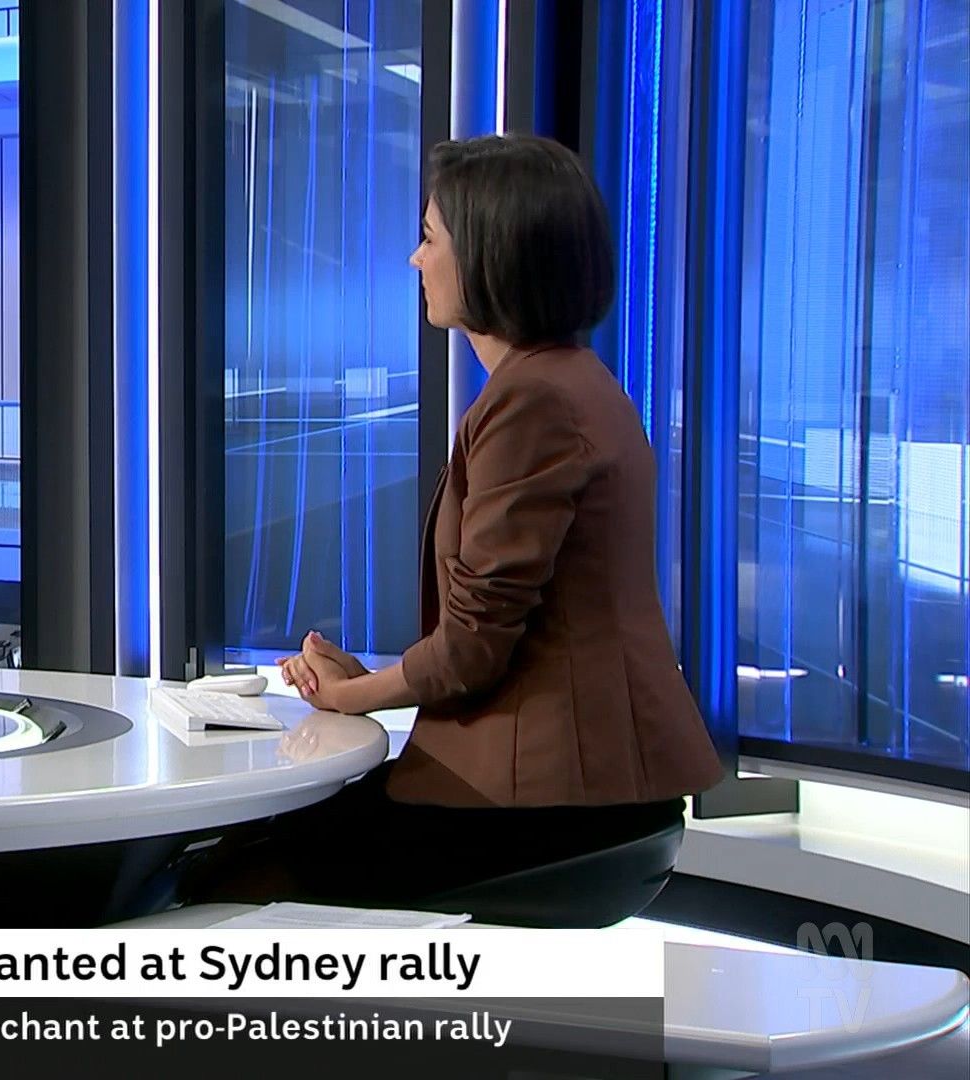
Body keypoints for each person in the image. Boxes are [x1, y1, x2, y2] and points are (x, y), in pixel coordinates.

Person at [201, 135, 723, 920]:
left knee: (219, 873)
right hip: (580, 787)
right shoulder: (573, 382)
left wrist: (353, 695)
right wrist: (370, 679)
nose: (416, 259)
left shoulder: (533, 402)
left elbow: (475, 647)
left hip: (550, 802)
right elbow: (504, 631)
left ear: (489, 253)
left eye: (430, 237)